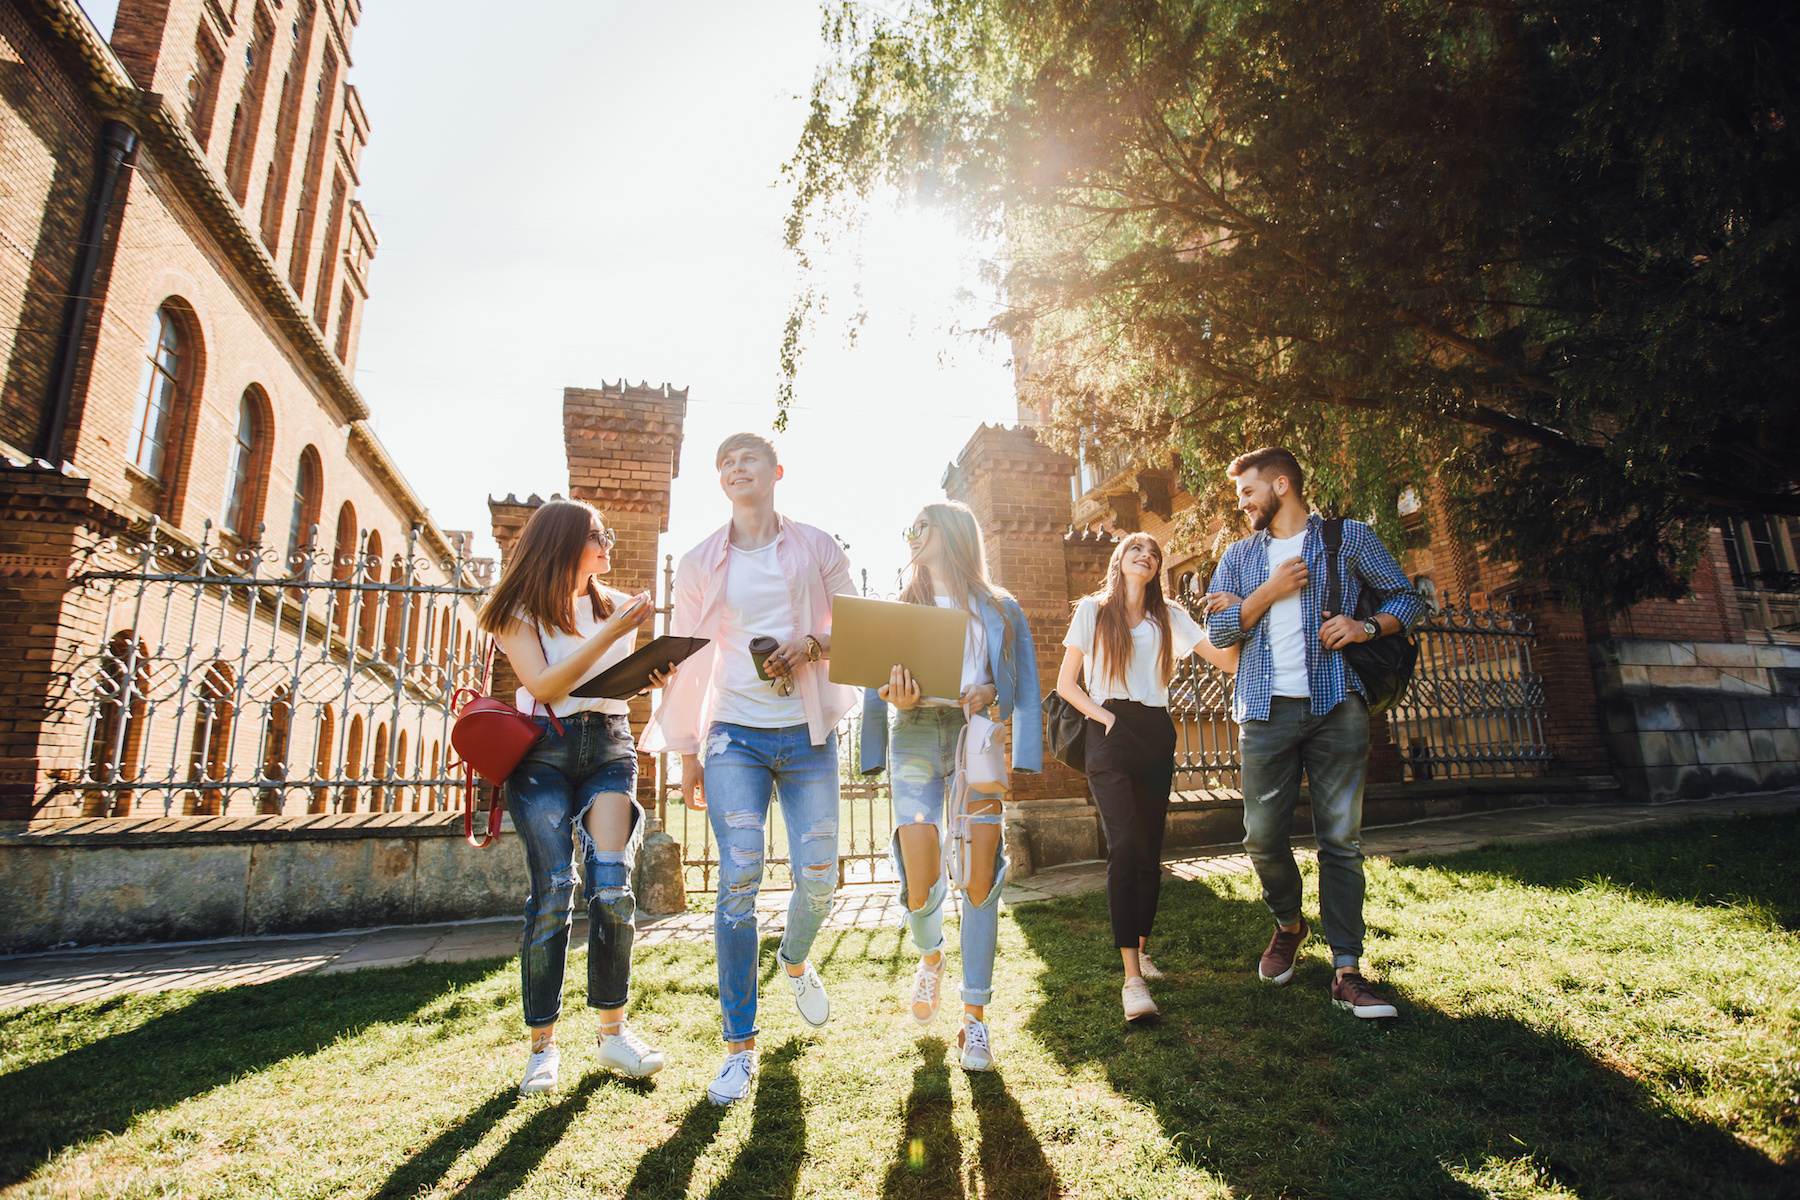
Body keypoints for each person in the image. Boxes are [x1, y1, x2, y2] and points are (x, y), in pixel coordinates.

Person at [642, 432, 857, 1106]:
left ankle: (793, 959)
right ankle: (739, 1047)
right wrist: (687, 757)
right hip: (733, 734)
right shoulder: (703, 560)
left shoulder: (819, 546)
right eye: (726, 462)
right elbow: (682, 657)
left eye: (749, 459)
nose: (736, 467)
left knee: (819, 876)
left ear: (776, 472)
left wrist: (814, 645)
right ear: (722, 481)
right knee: (738, 878)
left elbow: (859, 623)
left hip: (808, 735)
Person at [1203, 446, 1425, 1020]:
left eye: (1248, 491)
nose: (1242, 503)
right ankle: (1289, 924)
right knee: (1261, 838)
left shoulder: (1346, 537)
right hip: (1264, 710)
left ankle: (1347, 969)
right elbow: (1220, 630)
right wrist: (1266, 594)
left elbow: (1407, 596)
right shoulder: (1241, 555)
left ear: (1281, 484)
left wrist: (1364, 625)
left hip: (1336, 706)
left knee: (1341, 841)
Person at [477, 498, 667, 1095]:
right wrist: (612, 632)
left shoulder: (612, 605)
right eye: (595, 535)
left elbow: (611, 686)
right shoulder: (515, 611)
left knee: (611, 886)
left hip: (609, 747)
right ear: (561, 542)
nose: (607, 543)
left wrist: (653, 672)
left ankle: (614, 1033)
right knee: (555, 891)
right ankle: (542, 1047)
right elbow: (548, 685)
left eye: (607, 534)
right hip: (543, 755)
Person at [860, 502, 1042, 1071]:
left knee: (981, 876)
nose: (912, 533)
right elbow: (875, 678)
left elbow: (1020, 685)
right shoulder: (900, 606)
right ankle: (932, 954)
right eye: (909, 526)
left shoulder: (999, 607)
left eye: (923, 525)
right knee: (920, 878)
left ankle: (974, 1021)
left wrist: (991, 694)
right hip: (914, 735)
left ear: (953, 533)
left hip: (976, 737)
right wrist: (894, 693)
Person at [1056, 532, 1236, 1021]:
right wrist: (1105, 716)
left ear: (1159, 568)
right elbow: (1064, 684)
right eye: (1137, 549)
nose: (1147, 557)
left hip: (1156, 730)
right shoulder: (1093, 611)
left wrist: (1239, 612)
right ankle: (1132, 980)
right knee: (1125, 845)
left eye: (1154, 554)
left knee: (1150, 848)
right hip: (1109, 730)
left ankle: (1142, 947)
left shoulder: (1170, 617)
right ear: (1120, 559)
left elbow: (1227, 660)